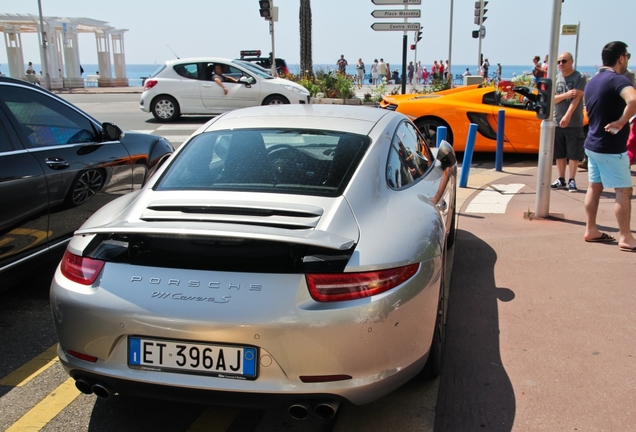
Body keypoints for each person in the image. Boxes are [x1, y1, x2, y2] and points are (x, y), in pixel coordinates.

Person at [582, 41, 636, 252]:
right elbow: (633, 100)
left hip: (592, 144)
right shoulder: (617, 79)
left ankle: (591, 229)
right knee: (623, 190)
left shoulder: (592, 81)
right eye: (627, 57)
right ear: (621, 58)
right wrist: (622, 122)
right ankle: (626, 237)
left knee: (594, 187)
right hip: (611, 147)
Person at [550, 52, 587, 192]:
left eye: (564, 61)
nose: (561, 64)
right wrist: (565, 95)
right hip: (557, 120)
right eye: (559, 61)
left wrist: (567, 115)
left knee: (574, 153)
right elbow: (552, 99)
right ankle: (561, 178)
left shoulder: (579, 77)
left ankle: (572, 179)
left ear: (571, 61)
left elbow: (576, 98)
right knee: (559, 152)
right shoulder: (556, 78)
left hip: (574, 122)